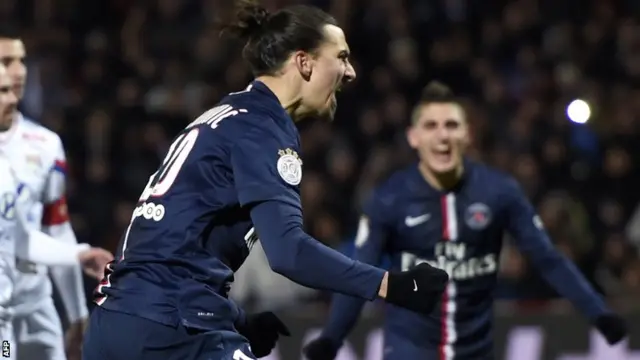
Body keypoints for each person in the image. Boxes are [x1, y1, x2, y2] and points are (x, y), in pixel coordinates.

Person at [81, 1, 449, 359]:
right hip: (173, 329)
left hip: (115, 322)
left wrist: (239, 320)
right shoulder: (262, 129)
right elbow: (288, 252)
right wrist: (390, 285)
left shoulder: (225, 116)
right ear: (303, 62)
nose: (350, 72)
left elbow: (175, 244)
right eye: (341, 57)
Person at [303, 81, 628, 360]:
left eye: (451, 126)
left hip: (477, 351)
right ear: (413, 137)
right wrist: (333, 336)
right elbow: (361, 272)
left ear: (468, 134)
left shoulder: (500, 192)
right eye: (431, 126)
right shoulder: (389, 198)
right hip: (409, 350)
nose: (442, 136)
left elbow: (548, 259)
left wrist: (598, 313)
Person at [0, 63, 113, 360]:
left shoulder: (7, 170)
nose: (12, 100)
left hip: (26, 307)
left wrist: (76, 254)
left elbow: (21, 239)